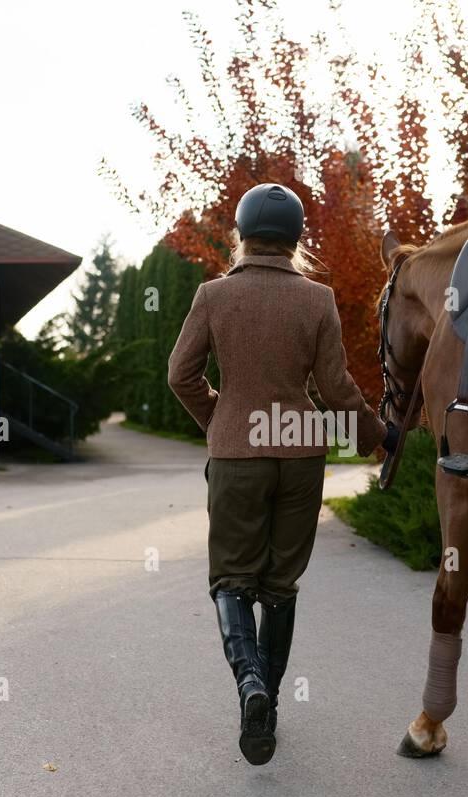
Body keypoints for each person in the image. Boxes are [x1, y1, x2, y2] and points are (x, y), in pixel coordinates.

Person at [168, 183, 398, 765]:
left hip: (236, 456)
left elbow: (180, 375)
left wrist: (220, 420)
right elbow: (336, 389)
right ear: (296, 239)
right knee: (279, 586)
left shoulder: (213, 295)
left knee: (231, 582)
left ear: (241, 235)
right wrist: (377, 436)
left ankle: (250, 687)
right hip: (300, 454)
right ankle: (269, 699)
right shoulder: (318, 299)